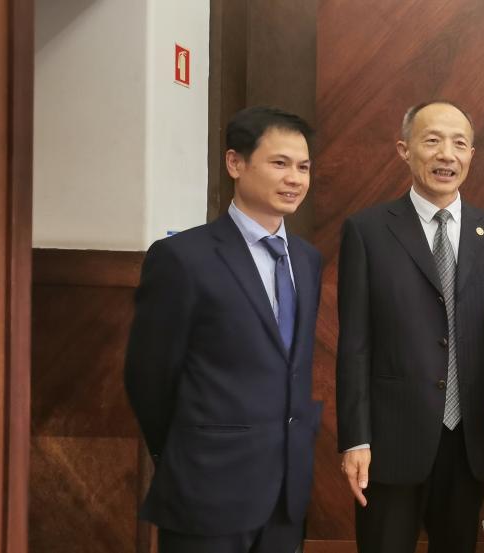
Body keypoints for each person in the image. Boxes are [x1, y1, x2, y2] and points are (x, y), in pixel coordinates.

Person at [124, 106, 321, 553]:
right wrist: (185, 451)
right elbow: (148, 377)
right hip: (206, 489)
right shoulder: (183, 257)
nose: (294, 179)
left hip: (285, 494)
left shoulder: (307, 259)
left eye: (303, 167)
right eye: (280, 163)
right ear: (235, 163)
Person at [335, 100, 484, 552]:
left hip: (470, 439)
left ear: (471, 154)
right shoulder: (368, 231)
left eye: (459, 143)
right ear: (404, 149)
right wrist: (355, 439)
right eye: (432, 141)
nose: (446, 155)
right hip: (390, 439)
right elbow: (355, 344)